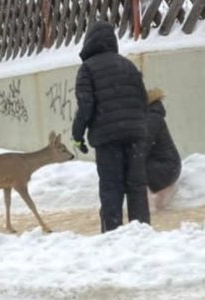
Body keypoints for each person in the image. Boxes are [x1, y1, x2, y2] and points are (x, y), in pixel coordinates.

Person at [71, 21, 149, 233]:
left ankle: (113, 234)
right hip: (135, 136)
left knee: (111, 188)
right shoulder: (128, 65)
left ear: (89, 42)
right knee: (136, 187)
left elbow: (86, 106)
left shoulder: (87, 69)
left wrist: (77, 136)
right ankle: (141, 232)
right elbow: (143, 100)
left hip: (108, 139)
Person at [145, 88, 181, 211]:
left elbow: (144, 146)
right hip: (169, 166)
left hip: (165, 167)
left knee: (134, 170)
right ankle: (159, 200)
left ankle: (148, 207)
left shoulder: (152, 119)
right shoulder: (154, 116)